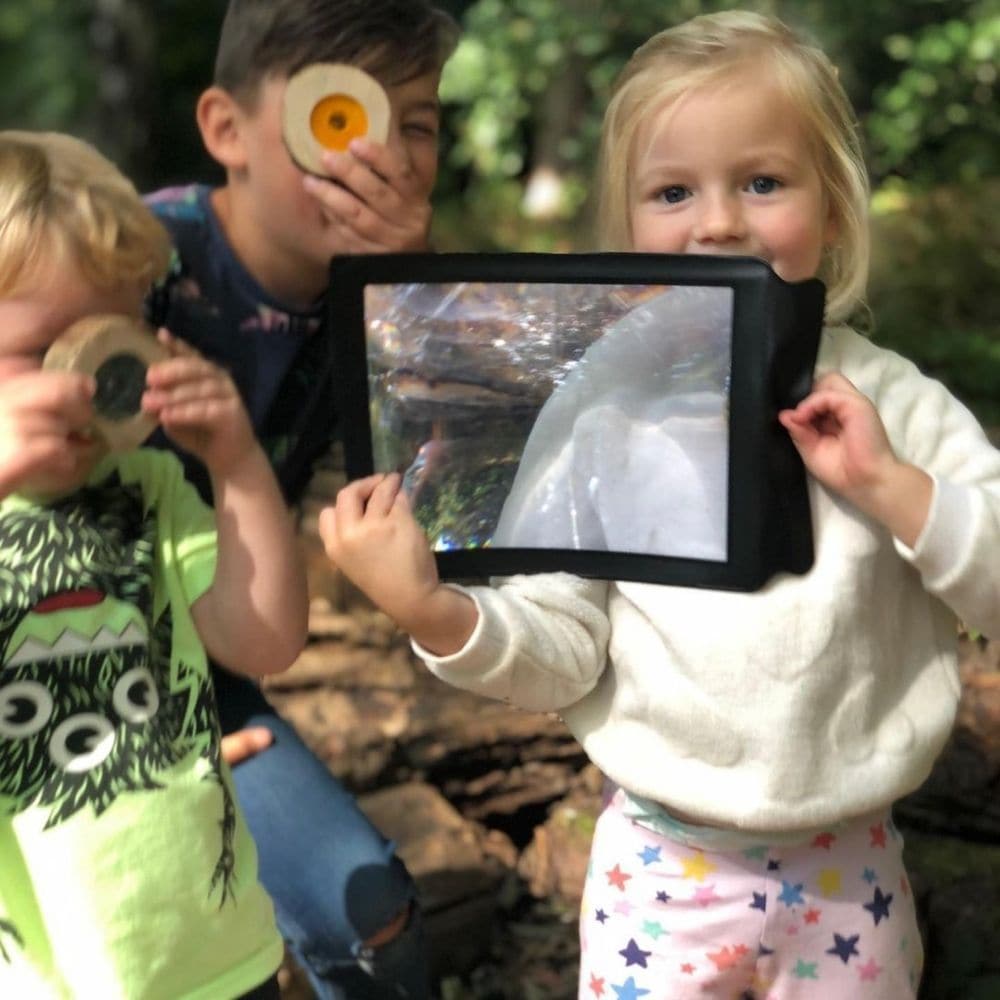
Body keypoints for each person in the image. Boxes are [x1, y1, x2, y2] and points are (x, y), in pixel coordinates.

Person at [319, 10, 1000, 999]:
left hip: (847, 871)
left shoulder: (891, 403)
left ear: (835, 209)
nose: (718, 221)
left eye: (762, 182)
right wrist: (431, 608)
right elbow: (560, 642)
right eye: (673, 191)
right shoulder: (602, 409)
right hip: (661, 874)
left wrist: (890, 488)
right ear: (629, 226)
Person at [143, 1, 460, 997]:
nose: (381, 155)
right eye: (338, 115)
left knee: (377, 929)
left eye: (414, 124)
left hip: (212, 677)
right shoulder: (131, 264)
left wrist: (402, 292)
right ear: (227, 131)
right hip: (57, 675)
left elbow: (449, 513)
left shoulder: (382, 309)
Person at [0, 130, 308, 999]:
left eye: (110, 342)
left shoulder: (149, 482)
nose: (85, 386)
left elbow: (265, 639)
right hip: (49, 971)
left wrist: (237, 467)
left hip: (213, 949)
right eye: (40, 354)